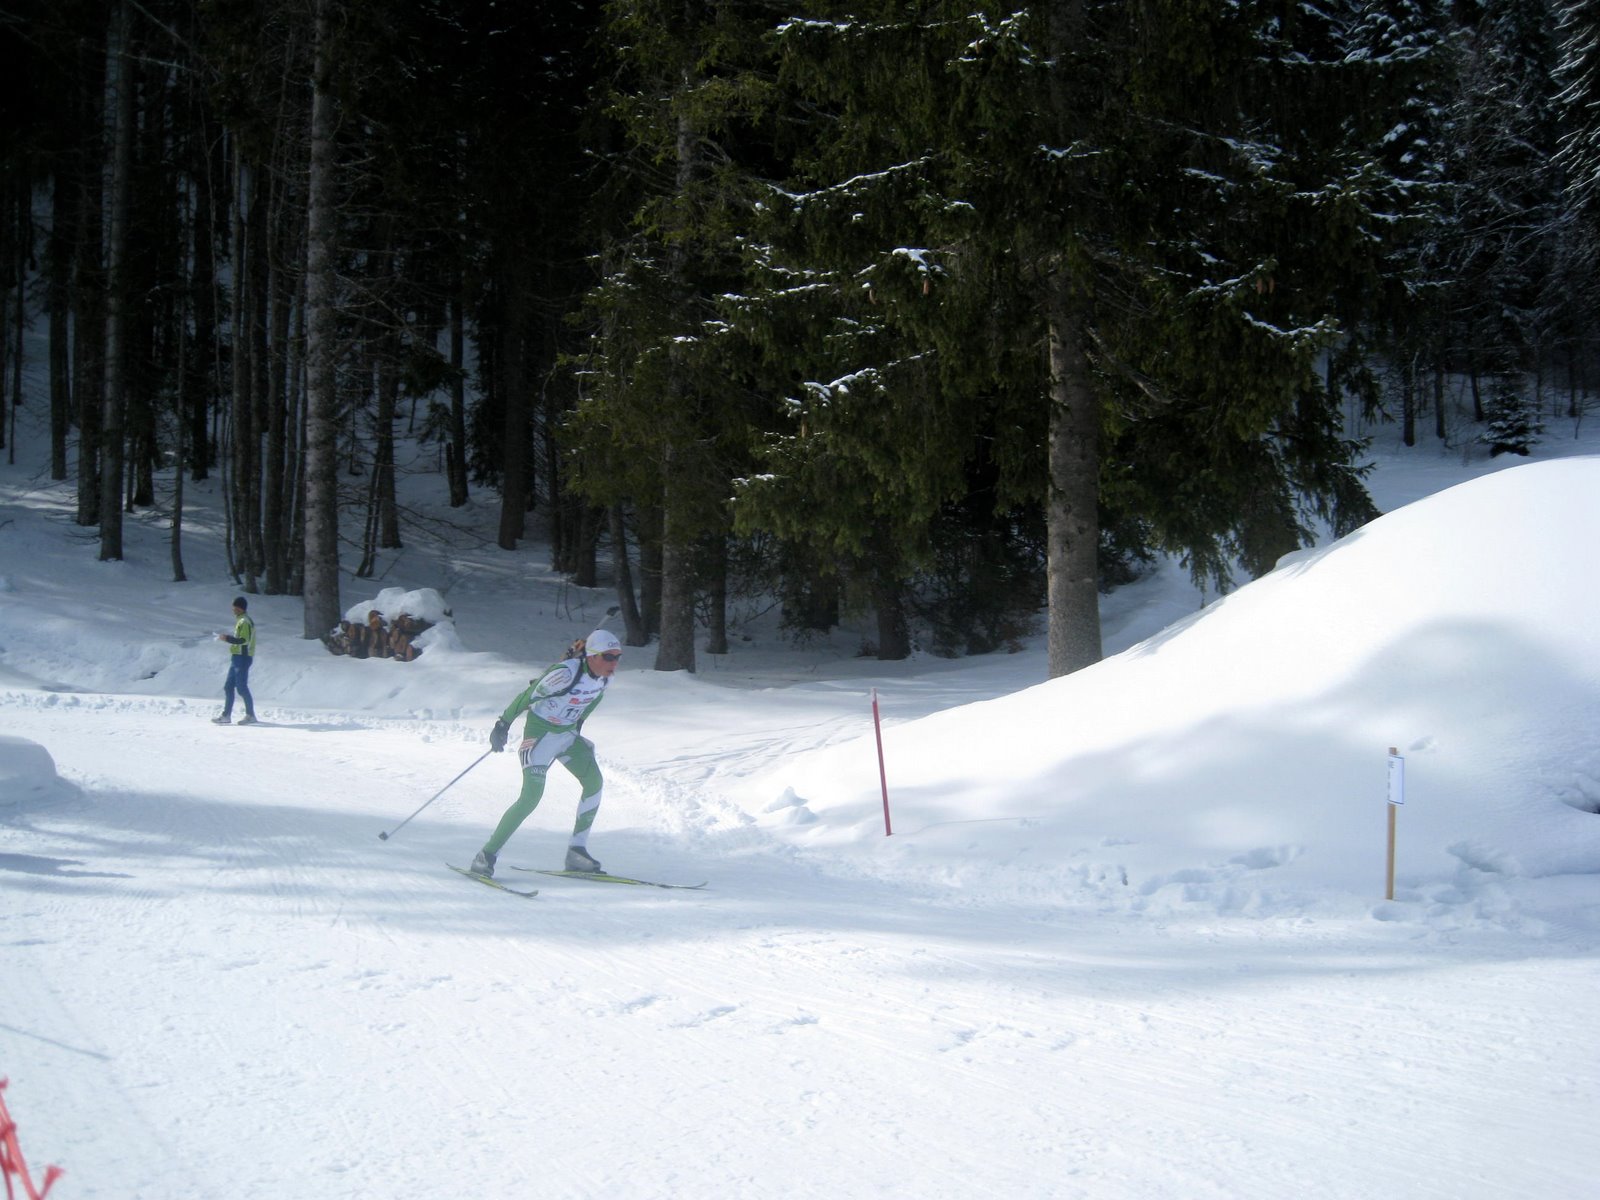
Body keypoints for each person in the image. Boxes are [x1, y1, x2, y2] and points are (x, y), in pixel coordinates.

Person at [469, 629, 623, 877]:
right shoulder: (565, 673)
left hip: (566, 735)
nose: (614, 663)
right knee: (531, 797)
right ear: (592, 656)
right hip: (539, 736)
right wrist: (503, 724)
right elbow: (527, 696)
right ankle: (485, 855)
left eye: (617, 657)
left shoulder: (605, 678)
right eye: (608, 656)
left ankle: (577, 852)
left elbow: (593, 699)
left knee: (594, 782)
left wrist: (579, 723)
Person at [212, 596, 258, 725]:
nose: (233, 609)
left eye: (235, 607)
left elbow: (244, 640)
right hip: (236, 657)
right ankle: (226, 715)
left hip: (243, 657)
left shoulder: (244, 621)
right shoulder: (241, 620)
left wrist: (227, 638)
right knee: (228, 687)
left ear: (240, 608)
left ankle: (250, 715)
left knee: (241, 687)